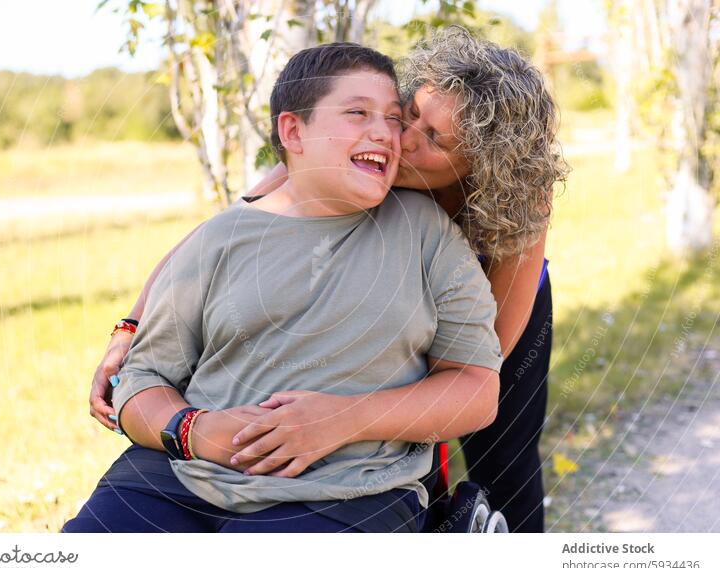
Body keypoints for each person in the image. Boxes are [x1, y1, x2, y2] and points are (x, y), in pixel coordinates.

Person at [89, 26, 568, 532]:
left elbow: (476, 363)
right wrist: (130, 330)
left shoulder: (519, 202)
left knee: (501, 457)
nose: (400, 139)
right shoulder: (349, 161)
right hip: (392, 298)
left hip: (493, 305)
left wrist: (356, 414)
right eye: (410, 114)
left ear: (481, 166)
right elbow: (217, 239)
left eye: (432, 139)